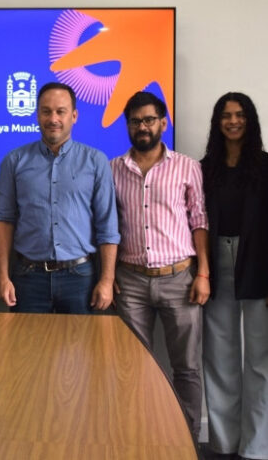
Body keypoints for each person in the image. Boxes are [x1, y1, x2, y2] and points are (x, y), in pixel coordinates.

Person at [111, 91, 210, 441]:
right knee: (133, 366)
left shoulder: (187, 166)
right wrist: (108, 274)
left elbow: (199, 221)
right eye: (135, 121)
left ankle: (186, 441)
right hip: (130, 282)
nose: (143, 126)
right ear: (128, 125)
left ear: (163, 123)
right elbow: (107, 226)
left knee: (187, 368)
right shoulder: (113, 168)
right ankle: (138, 438)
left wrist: (203, 273)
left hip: (179, 279)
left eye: (149, 119)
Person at [0, 82, 120, 314]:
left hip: (80, 279)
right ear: (37, 115)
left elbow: (107, 225)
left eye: (61, 111)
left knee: (80, 340)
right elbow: (4, 220)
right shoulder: (14, 161)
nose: (53, 119)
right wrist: (1, 277)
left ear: (74, 116)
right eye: (46, 111)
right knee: (27, 339)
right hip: (28, 278)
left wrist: (107, 280)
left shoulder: (95, 161)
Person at [201, 92, 268, 460]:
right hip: (215, 263)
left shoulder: (265, 166)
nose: (233, 121)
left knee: (260, 360)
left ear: (250, 120)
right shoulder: (204, 168)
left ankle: (256, 447)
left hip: (259, 264)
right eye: (226, 115)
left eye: (240, 115)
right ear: (218, 122)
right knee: (219, 355)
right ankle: (224, 443)